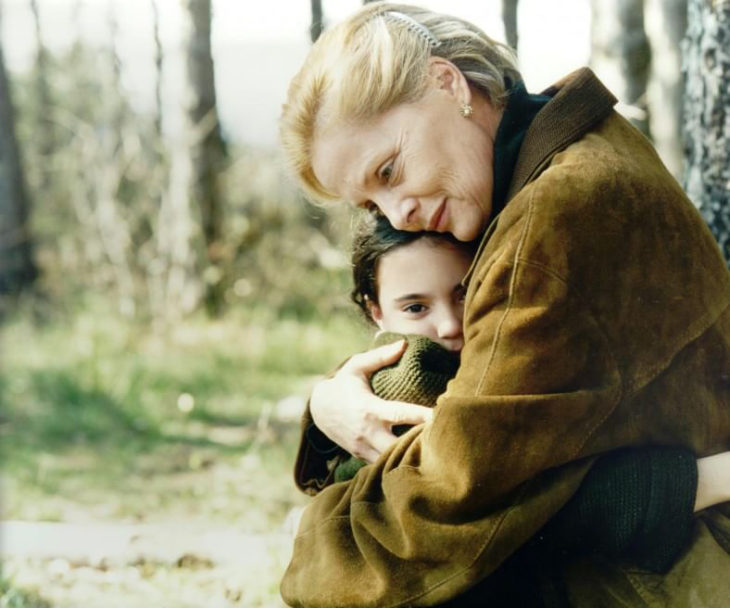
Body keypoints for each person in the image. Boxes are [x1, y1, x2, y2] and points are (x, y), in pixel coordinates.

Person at [279, 3, 730, 606]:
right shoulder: (572, 154)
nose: (397, 215)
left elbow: (453, 498)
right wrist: (328, 404)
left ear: (448, 84)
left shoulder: (555, 216)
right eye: (371, 206)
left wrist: (310, 545)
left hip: (666, 569)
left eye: (389, 169)